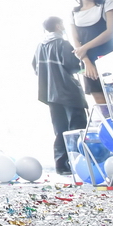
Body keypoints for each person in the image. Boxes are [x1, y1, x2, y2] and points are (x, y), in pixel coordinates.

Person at [32, 16, 88, 176]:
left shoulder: (40, 46)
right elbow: (73, 66)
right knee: (77, 128)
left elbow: (35, 67)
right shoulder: (62, 43)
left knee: (60, 130)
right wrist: (83, 63)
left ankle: (61, 165)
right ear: (57, 26)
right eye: (62, 24)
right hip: (68, 92)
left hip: (49, 94)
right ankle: (81, 164)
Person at [67, 0, 113, 106]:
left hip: (109, 57)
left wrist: (84, 47)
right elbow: (75, 40)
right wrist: (87, 62)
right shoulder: (73, 12)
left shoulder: (107, 4)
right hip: (88, 62)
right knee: (102, 105)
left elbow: (109, 32)